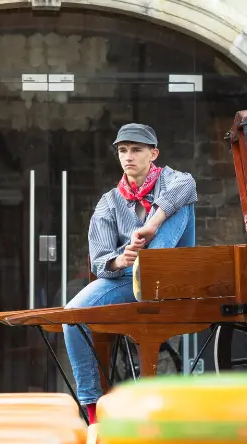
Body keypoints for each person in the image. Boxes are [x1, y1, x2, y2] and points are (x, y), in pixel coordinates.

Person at [63, 123, 197, 423]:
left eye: (136, 149)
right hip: (128, 278)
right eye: (123, 151)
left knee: (182, 202)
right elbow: (99, 261)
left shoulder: (174, 180)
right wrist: (120, 261)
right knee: (71, 316)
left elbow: (188, 186)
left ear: (153, 153)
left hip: (173, 270)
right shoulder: (109, 203)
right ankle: (93, 411)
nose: (128, 156)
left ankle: (149, 268)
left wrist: (151, 224)